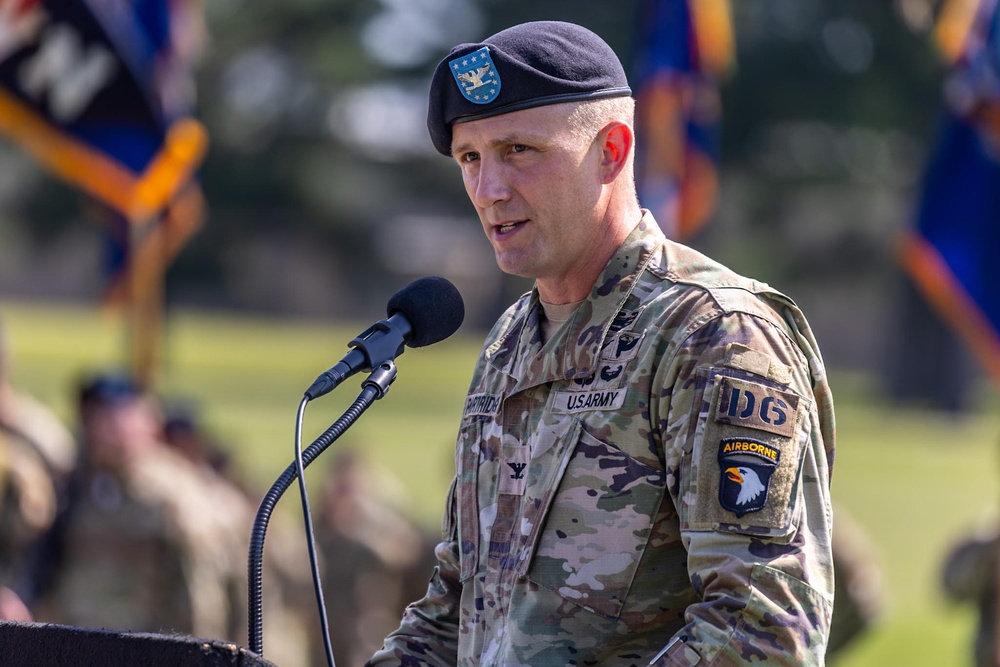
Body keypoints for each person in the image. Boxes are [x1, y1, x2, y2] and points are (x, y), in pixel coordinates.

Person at [367, 21, 836, 667]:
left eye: (519, 151)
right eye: (470, 158)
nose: (489, 189)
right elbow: (458, 607)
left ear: (611, 150)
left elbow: (763, 632)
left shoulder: (713, 336)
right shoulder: (511, 341)